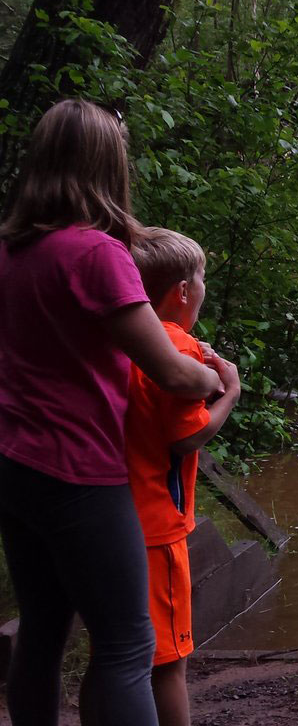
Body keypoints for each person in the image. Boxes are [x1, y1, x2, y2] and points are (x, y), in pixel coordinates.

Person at [0, 99, 222, 726]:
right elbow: (172, 372)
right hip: (79, 472)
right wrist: (216, 377)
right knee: (127, 644)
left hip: (14, 463)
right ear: (107, 165)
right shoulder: (95, 254)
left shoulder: (10, 251)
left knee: (42, 631)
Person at [124, 227, 240, 726]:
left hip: (112, 510)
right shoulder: (181, 352)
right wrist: (230, 391)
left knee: (121, 653)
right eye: (204, 280)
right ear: (184, 291)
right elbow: (186, 437)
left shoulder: (121, 339)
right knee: (168, 661)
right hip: (157, 523)